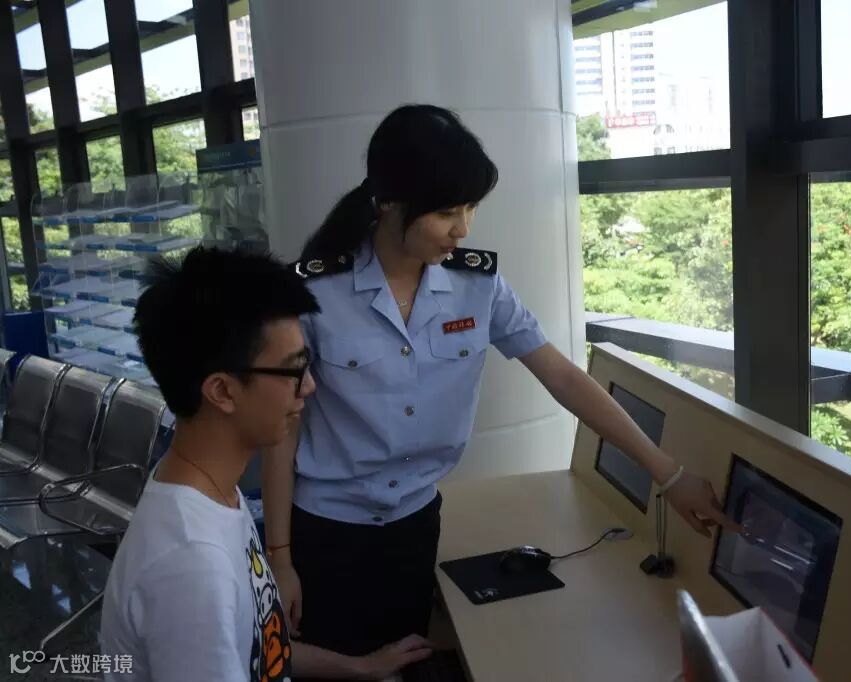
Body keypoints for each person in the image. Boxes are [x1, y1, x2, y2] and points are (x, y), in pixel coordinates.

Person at [263, 104, 741, 661]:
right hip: (325, 530)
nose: (462, 228)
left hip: (415, 524)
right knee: (329, 666)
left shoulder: (478, 285)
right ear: (388, 200)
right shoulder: (315, 292)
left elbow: (561, 375)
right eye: (446, 211)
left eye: (470, 208)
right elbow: (283, 429)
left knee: (401, 661)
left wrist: (668, 474)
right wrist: (281, 558)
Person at [100, 247, 433, 681]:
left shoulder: (213, 492)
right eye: (294, 371)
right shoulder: (191, 565)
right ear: (222, 391)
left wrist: (361, 667)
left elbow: (255, 650)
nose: (309, 387)